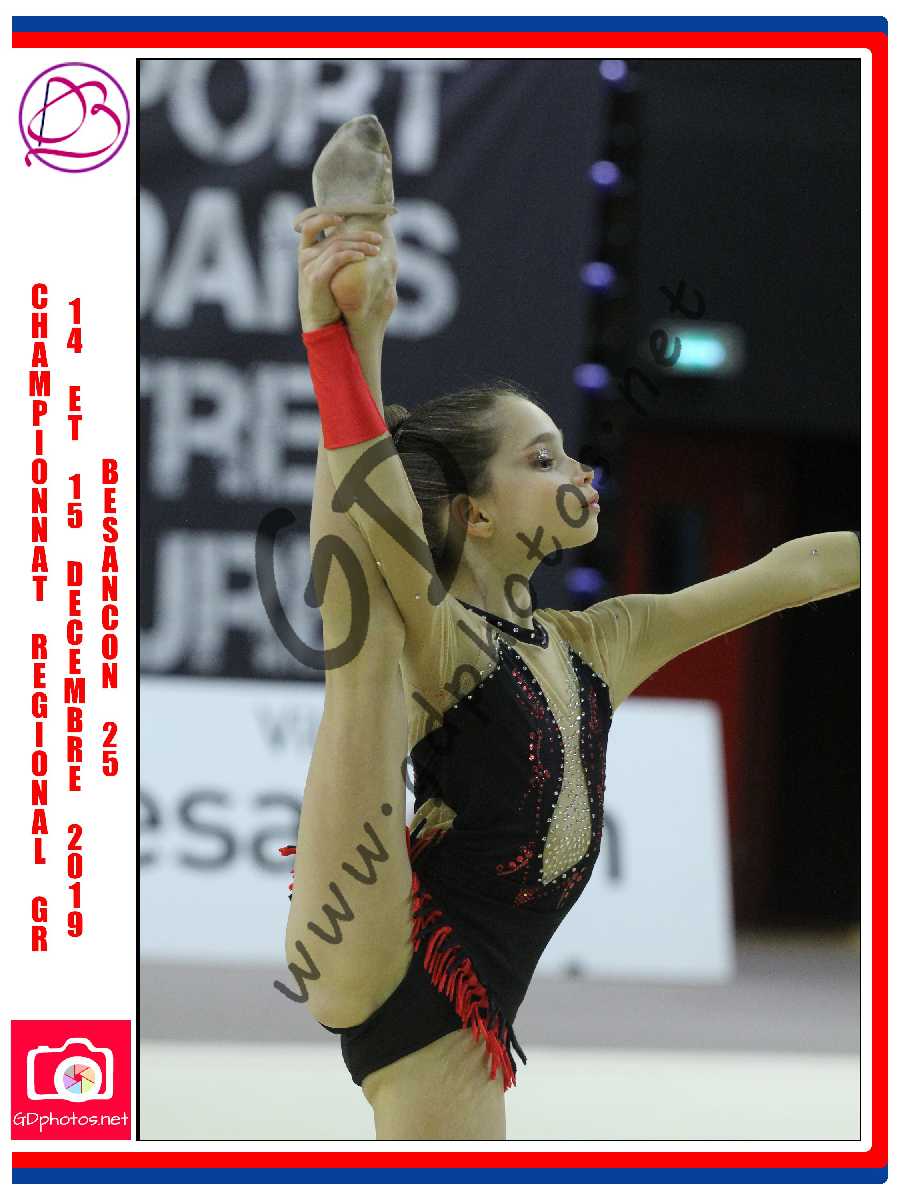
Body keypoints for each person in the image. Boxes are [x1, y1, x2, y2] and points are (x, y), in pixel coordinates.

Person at [281, 117, 861, 1142]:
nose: (578, 472)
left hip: (463, 1016)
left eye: (565, 454)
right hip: (373, 933)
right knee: (364, 617)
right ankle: (344, 327)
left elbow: (793, 573)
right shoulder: (446, 637)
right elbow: (380, 537)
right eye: (543, 458)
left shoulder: (602, 644)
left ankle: (349, 324)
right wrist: (356, 340)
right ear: (477, 516)